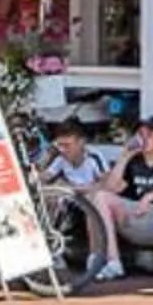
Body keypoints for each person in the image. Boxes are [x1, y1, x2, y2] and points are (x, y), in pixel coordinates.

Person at [95, 115, 153, 271]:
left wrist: (150, 197)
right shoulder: (133, 160)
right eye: (141, 134)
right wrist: (124, 156)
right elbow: (111, 188)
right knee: (101, 197)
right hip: (137, 216)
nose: (145, 138)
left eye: (150, 134)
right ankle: (113, 262)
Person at [39, 115, 120, 280]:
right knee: (49, 198)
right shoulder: (60, 158)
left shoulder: (94, 157)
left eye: (67, 145)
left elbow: (107, 183)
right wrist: (40, 167)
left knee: (93, 204)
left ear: (81, 142)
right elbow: (45, 177)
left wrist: (83, 189)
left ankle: (96, 257)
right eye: (60, 145)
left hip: (88, 197)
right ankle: (50, 247)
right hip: (69, 199)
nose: (63, 150)